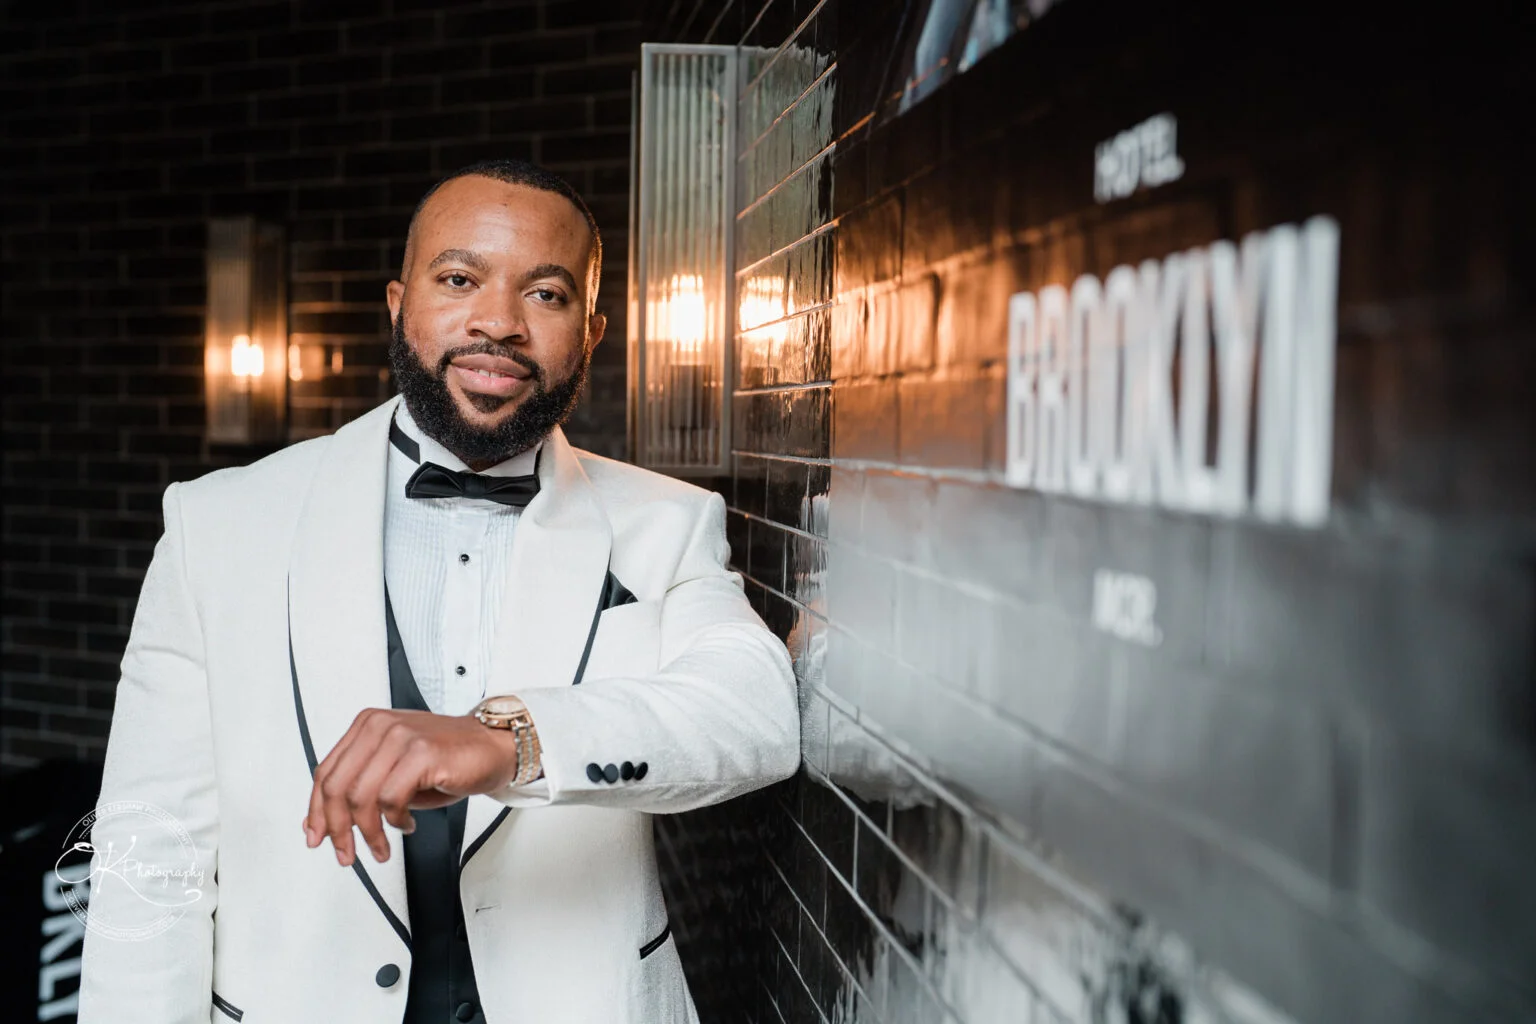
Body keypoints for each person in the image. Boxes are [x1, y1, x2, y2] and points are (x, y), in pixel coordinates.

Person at [76, 159, 801, 1024]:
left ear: (593, 333)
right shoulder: (217, 525)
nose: (498, 322)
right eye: (459, 279)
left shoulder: (668, 522)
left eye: (547, 294)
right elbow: (150, 856)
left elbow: (757, 712)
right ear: (398, 304)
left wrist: (510, 740)